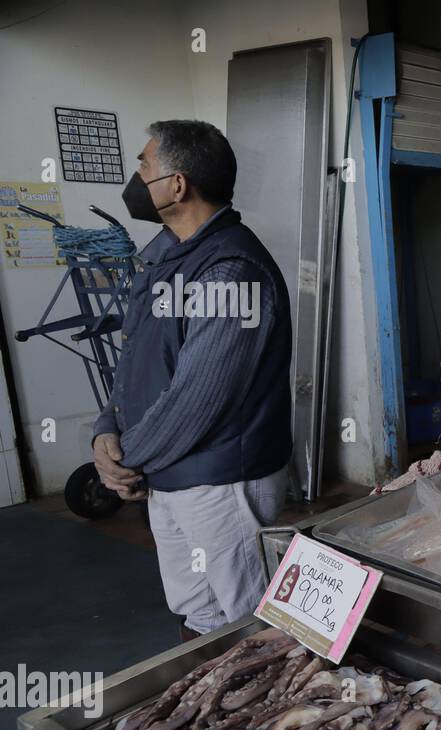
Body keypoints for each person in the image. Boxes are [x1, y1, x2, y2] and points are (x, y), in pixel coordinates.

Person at [91, 120, 292, 640]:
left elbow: (199, 398)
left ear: (177, 184)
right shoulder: (163, 258)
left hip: (219, 480)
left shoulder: (231, 270)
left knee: (252, 621)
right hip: (168, 473)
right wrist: (105, 430)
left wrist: (125, 461)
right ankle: (212, 716)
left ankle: (278, 720)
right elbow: (134, 358)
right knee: (198, 612)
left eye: (143, 165)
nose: (135, 178)